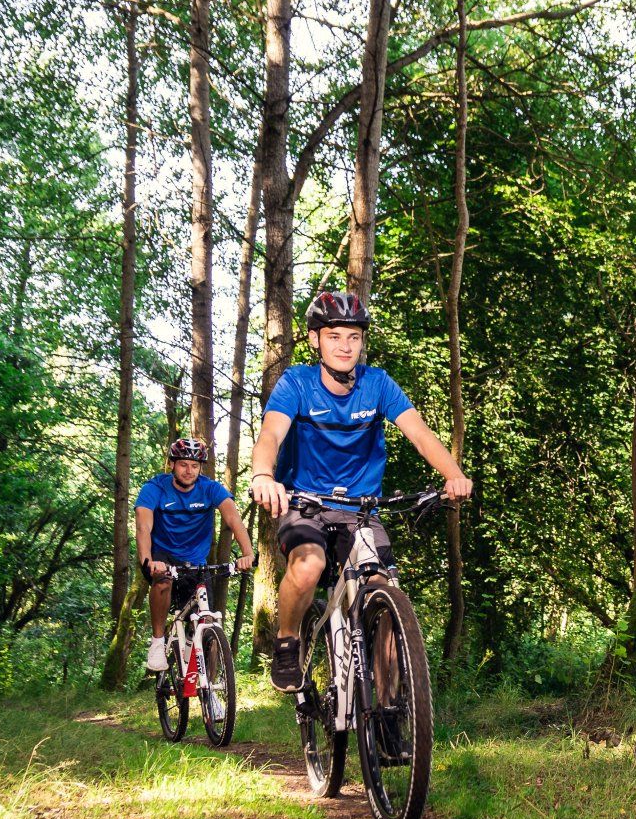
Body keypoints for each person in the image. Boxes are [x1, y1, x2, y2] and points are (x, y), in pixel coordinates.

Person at [248, 291, 472, 692]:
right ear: (316, 339)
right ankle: (286, 641)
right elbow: (271, 434)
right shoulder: (296, 383)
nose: (345, 346)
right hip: (305, 504)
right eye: (334, 336)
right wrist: (264, 476)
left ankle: (388, 708)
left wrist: (454, 475)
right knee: (309, 565)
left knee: (384, 590)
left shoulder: (377, 384)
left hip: (361, 510)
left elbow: (419, 434)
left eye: (353, 337)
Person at [134, 438, 255, 673]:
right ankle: (158, 641)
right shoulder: (155, 488)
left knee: (207, 623)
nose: (189, 471)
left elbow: (233, 519)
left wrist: (247, 553)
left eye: (195, 465)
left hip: (196, 562)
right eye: (183, 465)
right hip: (163, 556)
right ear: (172, 465)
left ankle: (209, 688)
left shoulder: (210, 488)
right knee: (163, 582)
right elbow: (143, 527)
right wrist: (148, 561)